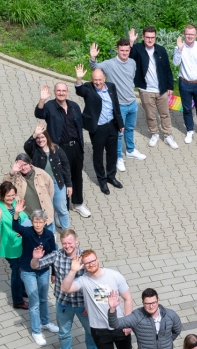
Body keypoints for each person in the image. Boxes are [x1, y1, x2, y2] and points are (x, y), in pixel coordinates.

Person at [60, 249, 136, 349]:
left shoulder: (114, 276)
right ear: (83, 265)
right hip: (99, 329)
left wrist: (128, 322)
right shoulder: (83, 280)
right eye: (87, 263)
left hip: (120, 324)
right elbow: (65, 288)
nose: (90, 264)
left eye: (93, 261)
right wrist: (72, 271)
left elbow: (128, 298)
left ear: (98, 259)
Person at [30, 228, 101, 349]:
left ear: (76, 240)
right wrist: (35, 258)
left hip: (83, 304)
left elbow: (98, 281)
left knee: (91, 330)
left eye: (70, 243)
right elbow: (35, 266)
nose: (67, 246)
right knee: (63, 332)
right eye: (64, 244)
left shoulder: (86, 257)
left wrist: (94, 305)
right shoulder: (57, 255)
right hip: (63, 303)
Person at [89, 36, 145, 172]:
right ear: (117, 50)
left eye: (127, 50)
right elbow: (95, 69)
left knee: (130, 128)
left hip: (132, 102)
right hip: (119, 106)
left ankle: (131, 150)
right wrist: (93, 58)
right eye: (122, 50)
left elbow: (130, 80)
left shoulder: (132, 62)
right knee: (119, 133)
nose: (124, 53)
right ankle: (119, 157)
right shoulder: (109, 64)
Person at [35, 82, 89, 217]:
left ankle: (78, 203)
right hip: (59, 148)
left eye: (63, 90)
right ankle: (61, 209)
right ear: (54, 92)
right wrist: (42, 100)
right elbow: (39, 113)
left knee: (77, 176)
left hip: (75, 147)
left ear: (67, 92)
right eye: (58, 91)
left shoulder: (74, 106)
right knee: (61, 177)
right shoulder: (49, 107)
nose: (61, 93)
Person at [10, 206, 58, 346]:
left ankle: (45, 322)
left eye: (40, 222)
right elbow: (15, 225)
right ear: (32, 222)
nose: (37, 224)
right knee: (35, 301)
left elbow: (53, 254)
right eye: (35, 222)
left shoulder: (49, 235)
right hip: (27, 271)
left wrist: (54, 273)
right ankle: (36, 331)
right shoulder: (27, 232)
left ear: (45, 222)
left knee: (43, 298)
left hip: (43, 270)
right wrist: (17, 212)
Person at [74, 64, 124, 195]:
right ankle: (102, 181)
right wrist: (79, 79)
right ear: (92, 79)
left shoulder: (111, 87)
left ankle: (111, 177)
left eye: (100, 80)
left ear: (104, 79)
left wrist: (120, 123)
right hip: (98, 128)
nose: (97, 82)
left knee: (112, 153)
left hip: (112, 125)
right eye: (95, 80)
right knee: (98, 155)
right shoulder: (88, 89)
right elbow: (79, 91)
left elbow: (116, 106)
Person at [131, 26, 178, 150]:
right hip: (146, 90)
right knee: (150, 115)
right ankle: (154, 134)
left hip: (161, 89)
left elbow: (167, 69)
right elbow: (129, 57)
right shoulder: (138, 49)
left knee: (165, 114)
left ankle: (168, 135)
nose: (150, 40)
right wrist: (131, 42)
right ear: (143, 37)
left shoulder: (161, 50)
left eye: (152, 37)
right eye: (147, 37)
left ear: (155, 38)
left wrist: (170, 86)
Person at [24, 120, 72, 230]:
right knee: (47, 212)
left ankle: (67, 232)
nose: (40, 140)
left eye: (42, 137)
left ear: (47, 137)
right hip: (42, 186)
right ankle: (51, 234)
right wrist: (34, 134)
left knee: (62, 209)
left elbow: (66, 167)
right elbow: (26, 145)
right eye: (38, 138)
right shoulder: (34, 151)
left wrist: (69, 185)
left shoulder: (57, 150)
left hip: (57, 183)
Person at [0, 182, 29, 309]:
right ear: (1, 195)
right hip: (11, 248)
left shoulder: (15, 204)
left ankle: (22, 290)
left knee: (22, 269)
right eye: (8, 196)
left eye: (13, 195)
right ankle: (18, 301)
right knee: (16, 273)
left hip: (23, 243)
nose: (11, 198)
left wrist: (24, 229)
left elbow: (25, 219)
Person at [2, 154, 55, 231]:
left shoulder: (41, 174)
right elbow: (5, 186)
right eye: (20, 166)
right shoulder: (15, 176)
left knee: (48, 241)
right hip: (26, 218)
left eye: (25, 164)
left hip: (44, 216)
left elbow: (50, 191)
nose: (23, 168)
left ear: (30, 163)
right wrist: (12, 171)